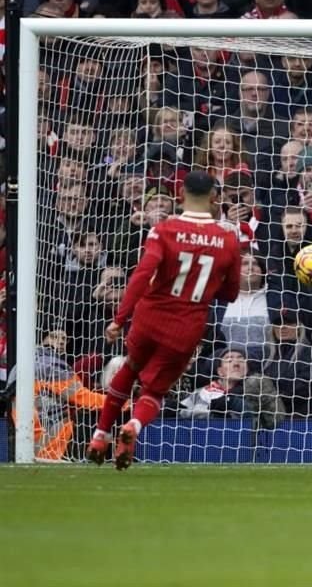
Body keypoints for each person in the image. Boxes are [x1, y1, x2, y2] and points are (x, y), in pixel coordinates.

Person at [85, 171, 242, 470]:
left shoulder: (164, 230)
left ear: (180, 195)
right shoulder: (228, 240)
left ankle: (99, 435)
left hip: (149, 316)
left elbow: (142, 274)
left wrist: (120, 319)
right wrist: (207, 284)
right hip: (186, 325)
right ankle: (133, 426)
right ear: (214, 198)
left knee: (130, 367)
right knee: (155, 391)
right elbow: (232, 293)